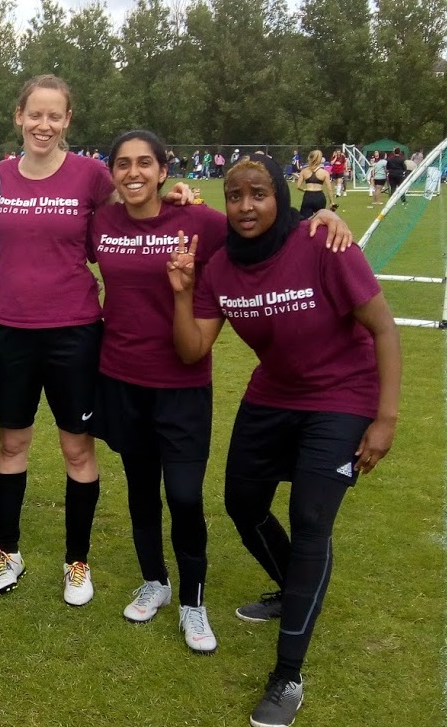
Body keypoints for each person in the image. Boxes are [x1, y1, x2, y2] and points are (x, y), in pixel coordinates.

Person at [89, 132, 351, 655]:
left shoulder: (201, 222)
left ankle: (194, 602)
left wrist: (322, 218)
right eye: (123, 164)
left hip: (182, 385)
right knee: (141, 489)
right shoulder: (102, 222)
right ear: (112, 173)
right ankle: (155, 582)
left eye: (145, 163)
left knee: (184, 496)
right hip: (120, 378)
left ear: (165, 170)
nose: (133, 172)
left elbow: (260, 225)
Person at [167, 153, 400, 727]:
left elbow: (384, 328)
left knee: (310, 518)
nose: (247, 206)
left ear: (281, 196)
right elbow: (193, 349)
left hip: (342, 396)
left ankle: (287, 674)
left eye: (260, 194)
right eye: (235, 195)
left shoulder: (322, 244)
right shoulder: (220, 268)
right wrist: (180, 291)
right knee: (243, 505)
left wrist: (385, 419)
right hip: (273, 395)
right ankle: (293, 586)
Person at [0, 76, 196, 605]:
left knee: (76, 449)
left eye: (55, 116)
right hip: (11, 329)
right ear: (19, 117)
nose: (44, 125)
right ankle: (7, 552)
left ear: (68, 121)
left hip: (76, 331)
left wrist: (177, 198)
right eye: (35, 114)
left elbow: (135, 204)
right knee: (11, 445)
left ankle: (76, 563)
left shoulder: (91, 175)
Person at [295, 150, 334, 218]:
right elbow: (329, 189)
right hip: (319, 196)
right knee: (320, 219)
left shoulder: (304, 171)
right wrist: (332, 202)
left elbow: (298, 186)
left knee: (305, 220)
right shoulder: (324, 173)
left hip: (308, 196)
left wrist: (305, 190)